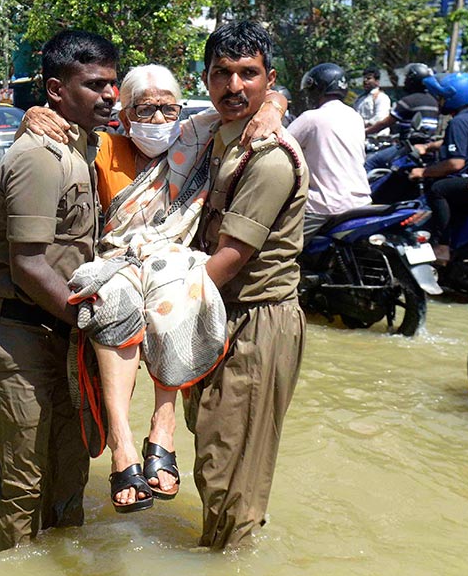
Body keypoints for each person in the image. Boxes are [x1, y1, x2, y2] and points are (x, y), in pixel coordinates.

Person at [16, 66, 288, 511]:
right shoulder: (101, 146)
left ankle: (163, 426)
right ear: (124, 114)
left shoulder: (198, 137)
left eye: (168, 107)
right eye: (145, 108)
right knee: (111, 299)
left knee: (176, 284)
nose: (159, 118)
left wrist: (276, 106)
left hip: (171, 266)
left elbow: (258, 100)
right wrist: (30, 114)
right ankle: (123, 446)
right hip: (117, 262)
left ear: (181, 111)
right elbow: (47, 133)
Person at [0, 28, 118, 552]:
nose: (109, 95)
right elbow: (29, 264)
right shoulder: (39, 156)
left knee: (69, 470)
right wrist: (97, 326)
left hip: (62, 330)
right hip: (19, 334)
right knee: (24, 481)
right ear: (56, 90)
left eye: (113, 84)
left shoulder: (84, 147)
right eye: (95, 85)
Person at [185, 20, 308, 550]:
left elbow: (232, 257)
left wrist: (148, 306)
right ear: (207, 79)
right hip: (218, 313)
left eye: (249, 75)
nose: (235, 87)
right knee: (216, 448)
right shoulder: (214, 137)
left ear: (269, 79)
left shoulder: (269, 157)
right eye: (222, 74)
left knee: (230, 473)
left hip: (256, 320)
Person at [408, 72, 468, 262]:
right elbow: (459, 142)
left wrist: (423, 171)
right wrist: (429, 146)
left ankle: (442, 245)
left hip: (465, 179)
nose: (439, 101)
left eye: (442, 97)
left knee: (437, 189)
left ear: (455, 98)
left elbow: (456, 163)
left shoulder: (458, 122)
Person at [287, 62, 372, 240]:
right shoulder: (355, 117)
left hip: (325, 205)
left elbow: (278, 147)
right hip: (361, 202)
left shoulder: (312, 118)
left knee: (277, 250)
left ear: (317, 89)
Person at [364, 62, 440, 171]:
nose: (404, 81)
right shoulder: (433, 101)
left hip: (408, 147)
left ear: (413, 80)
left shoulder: (409, 101)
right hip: (427, 147)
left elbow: (385, 123)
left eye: (407, 78)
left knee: (371, 162)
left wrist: (364, 132)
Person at [354, 67, 391, 135]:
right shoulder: (359, 99)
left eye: (369, 78)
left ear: (377, 81)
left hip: (376, 138)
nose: (365, 81)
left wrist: (363, 125)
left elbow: (380, 118)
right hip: (360, 136)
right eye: (364, 78)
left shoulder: (381, 97)